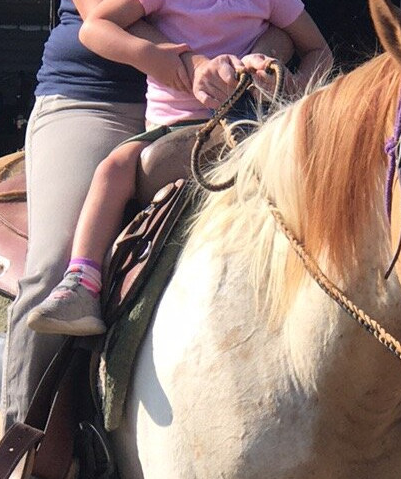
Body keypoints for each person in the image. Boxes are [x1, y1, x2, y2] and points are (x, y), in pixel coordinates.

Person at [0, 1, 313, 479]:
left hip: (232, 104)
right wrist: (192, 60)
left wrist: (269, 59)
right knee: (52, 265)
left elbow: (297, 32)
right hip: (95, 94)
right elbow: (103, 17)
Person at [24, 0, 331, 337]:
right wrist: (165, 59)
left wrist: (286, 83)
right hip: (171, 125)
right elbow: (95, 26)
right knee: (114, 169)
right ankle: (82, 279)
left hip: (251, 125)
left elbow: (317, 48)